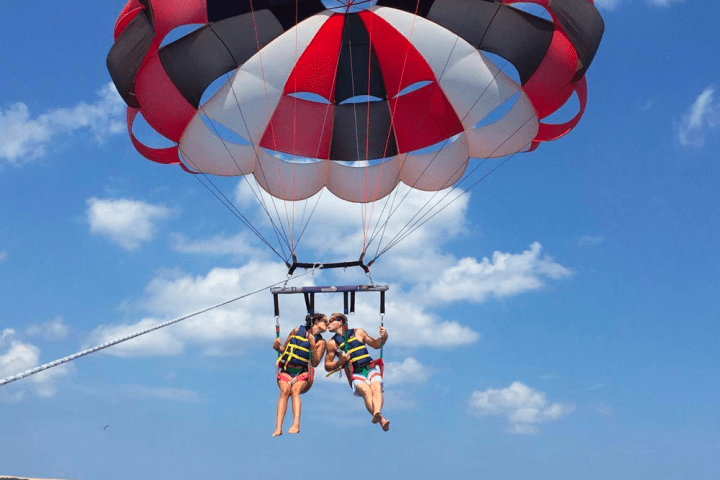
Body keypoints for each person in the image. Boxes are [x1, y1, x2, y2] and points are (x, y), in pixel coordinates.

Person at [325, 312, 390, 432]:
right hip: (356, 374)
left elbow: (376, 344)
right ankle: (381, 420)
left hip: (370, 368)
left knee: (376, 387)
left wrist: (384, 336)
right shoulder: (332, 344)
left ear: (340, 322)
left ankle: (378, 414)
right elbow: (327, 366)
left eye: (331, 320)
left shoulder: (358, 332)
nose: (327, 324)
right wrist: (341, 361)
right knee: (366, 392)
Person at [272, 312, 327, 436]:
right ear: (316, 321)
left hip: (302, 372)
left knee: (295, 391)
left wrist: (312, 345)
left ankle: (296, 424)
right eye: (325, 321)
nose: (327, 324)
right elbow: (283, 349)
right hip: (287, 370)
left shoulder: (321, 342)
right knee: (284, 391)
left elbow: (316, 362)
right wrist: (276, 346)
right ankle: (278, 427)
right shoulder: (296, 331)